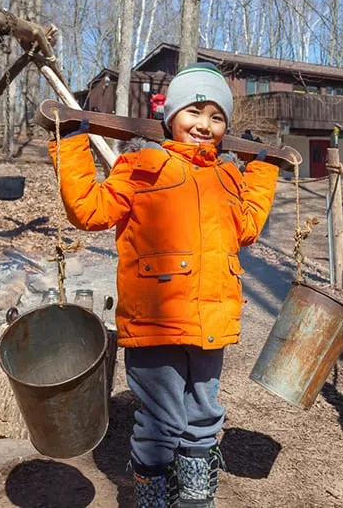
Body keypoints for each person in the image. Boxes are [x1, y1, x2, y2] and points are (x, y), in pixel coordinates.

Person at [49, 62, 279, 507]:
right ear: (171, 116)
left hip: (211, 317)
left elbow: (246, 228)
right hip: (155, 318)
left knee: (204, 414)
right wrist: (74, 145)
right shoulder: (143, 164)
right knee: (162, 418)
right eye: (195, 112)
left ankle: (195, 498)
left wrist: (262, 173)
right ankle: (153, 497)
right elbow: (89, 211)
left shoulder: (227, 176)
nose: (205, 125)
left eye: (217, 117)